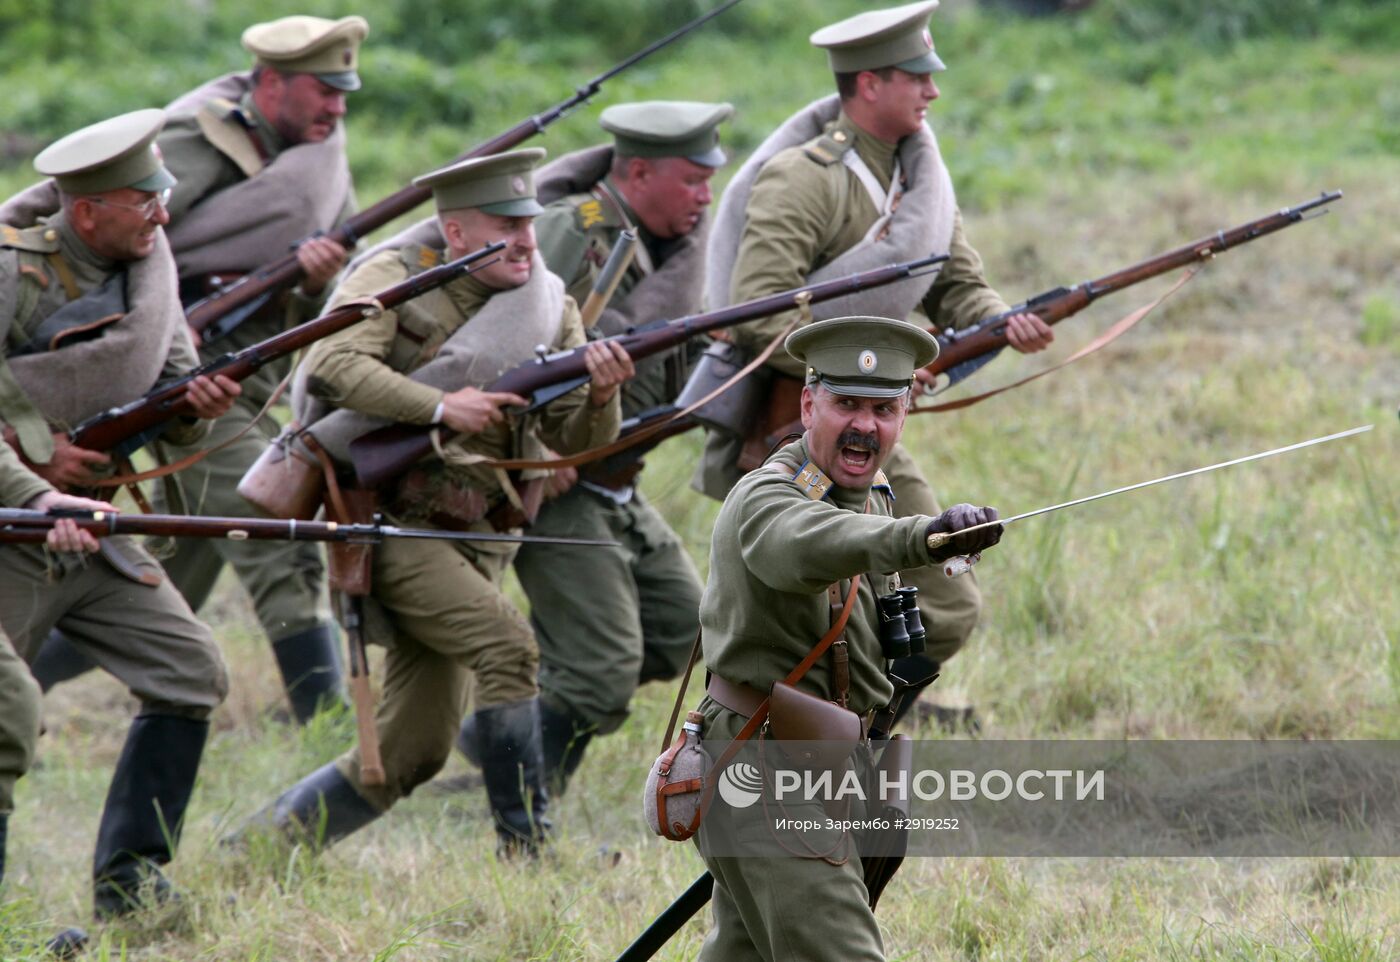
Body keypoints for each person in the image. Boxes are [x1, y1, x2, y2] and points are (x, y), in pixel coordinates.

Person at [232, 149, 635, 855]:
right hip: (391, 525)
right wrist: (442, 406)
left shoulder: (548, 301)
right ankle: (529, 852)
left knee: (411, 752)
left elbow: (576, 439)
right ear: (454, 234)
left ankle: (256, 851)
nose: (526, 238)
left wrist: (603, 393)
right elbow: (332, 365)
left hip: (479, 535)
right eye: (504, 223)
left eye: (530, 221)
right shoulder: (392, 277)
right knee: (511, 649)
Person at [694, 1, 1053, 726]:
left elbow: (956, 281)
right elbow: (758, 305)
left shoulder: (921, 184)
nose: (933, 91)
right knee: (805, 616)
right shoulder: (804, 178)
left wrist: (999, 320)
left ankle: (866, 721)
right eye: (917, 75)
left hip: (868, 433)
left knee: (945, 605)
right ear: (868, 85)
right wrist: (869, 373)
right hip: (798, 432)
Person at [29, 15, 368, 723]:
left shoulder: (316, 162)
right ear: (271, 83)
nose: (338, 109)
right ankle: (326, 721)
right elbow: (106, 236)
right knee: (265, 523)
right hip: (167, 359)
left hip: (241, 366)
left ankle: (26, 665)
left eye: (344, 93)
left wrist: (307, 279)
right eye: (323, 92)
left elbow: (322, 293)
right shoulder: (199, 140)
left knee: (183, 556)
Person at [692, 314, 1002, 960]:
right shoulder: (767, 497)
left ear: (903, 417)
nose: (866, 424)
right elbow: (803, 547)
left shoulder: (872, 496)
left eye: (885, 408)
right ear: (809, 404)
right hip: (763, 766)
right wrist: (922, 536)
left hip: (825, 765)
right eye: (847, 404)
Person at [452, 100, 732, 794]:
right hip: (553, 480)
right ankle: (522, 793)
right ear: (638, 172)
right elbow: (496, 355)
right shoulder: (572, 235)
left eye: (709, 180)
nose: (707, 196)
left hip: (614, 475)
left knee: (677, 629)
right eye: (693, 180)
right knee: (603, 673)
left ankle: (511, 732)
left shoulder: (677, 247)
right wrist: (548, 451)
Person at [0, 109, 239, 919]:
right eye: (146, 200)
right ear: (88, 210)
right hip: (12, 530)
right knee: (6, 720)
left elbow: (168, 395)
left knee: (189, 672)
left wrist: (196, 408)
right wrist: (36, 471)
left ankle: (129, 889)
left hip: (87, 528)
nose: (164, 215)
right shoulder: (12, 272)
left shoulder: (150, 279)